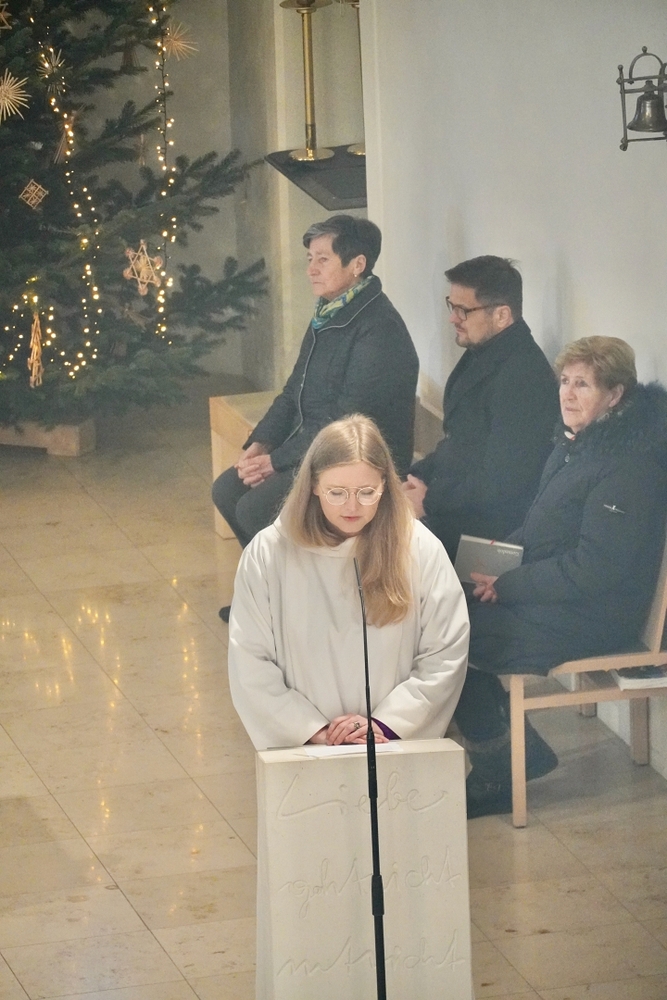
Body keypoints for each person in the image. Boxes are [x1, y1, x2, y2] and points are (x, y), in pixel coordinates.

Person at [454, 336, 667, 817]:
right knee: (444, 608)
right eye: (565, 382)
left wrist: (508, 585)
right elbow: (539, 529)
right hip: (561, 598)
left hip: (597, 615)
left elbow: (596, 568)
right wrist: (494, 562)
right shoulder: (576, 446)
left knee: (453, 635)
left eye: (583, 385)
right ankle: (511, 751)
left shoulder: (628, 467)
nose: (567, 394)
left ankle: (502, 769)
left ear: (615, 395)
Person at [227, 415, 469, 751]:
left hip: (390, 743)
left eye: (367, 492)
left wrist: (385, 724)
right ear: (313, 484)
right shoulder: (269, 555)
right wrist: (314, 730)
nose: (352, 507)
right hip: (308, 747)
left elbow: (444, 652)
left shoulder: (419, 549)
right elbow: (250, 660)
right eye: (337, 492)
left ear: (385, 485)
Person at [213, 215, 419, 574]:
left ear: (357, 265)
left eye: (322, 259)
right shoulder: (328, 313)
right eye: (310, 258)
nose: (311, 269)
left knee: (255, 509)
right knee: (227, 490)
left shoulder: (379, 329)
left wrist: (276, 462)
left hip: (355, 459)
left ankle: (301, 593)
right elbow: (293, 390)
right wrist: (261, 443)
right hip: (315, 447)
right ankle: (271, 588)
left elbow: (345, 422)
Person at [404, 255, 559, 559]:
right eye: (451, 306)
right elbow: (458, 445)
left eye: (463, 310)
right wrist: (412, 478)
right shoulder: (484, 351)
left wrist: (430, 500)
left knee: (377, 550)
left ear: (502, 315)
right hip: (457, 510)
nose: (453, 318)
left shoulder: (524, 376)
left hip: (489, 537)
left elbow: (503, 482)